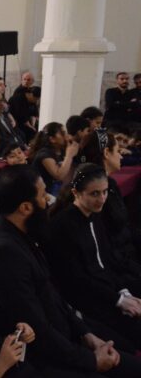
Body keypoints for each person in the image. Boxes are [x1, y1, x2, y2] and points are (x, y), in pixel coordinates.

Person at [0, 164, 141, 378]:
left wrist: (86, 334)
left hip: (66, 334)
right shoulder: (4, 253)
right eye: (43, 195)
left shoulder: (15, 232)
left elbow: (51, 293)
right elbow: (37, 331)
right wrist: (91, 360)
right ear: (25, 207)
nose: (49, 200)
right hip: (44, 360)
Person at [45, 164, 141, 348]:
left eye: (105, 192)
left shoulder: (95, 214)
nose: (102, 199)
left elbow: (107, 260)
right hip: (85, 298)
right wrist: (119, 300)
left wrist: (124, 292)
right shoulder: (62, 226)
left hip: (106, 287)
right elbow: (76, 279)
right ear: (76, 193)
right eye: (94, 194)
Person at [78, 129, 141, 271]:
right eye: (117, 151)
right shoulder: (95, 192)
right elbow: (106, 242)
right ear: (106, 153)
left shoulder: (109, 183)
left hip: (126, 253)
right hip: (118, 263)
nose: (121, 156)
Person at [28, 122, 78, 195]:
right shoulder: (44, 154)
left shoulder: (61, 150)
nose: (67, 136)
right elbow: (59, 175)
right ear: (52, 139)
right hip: (43, 193)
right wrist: (69, 155)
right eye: (63, 133)